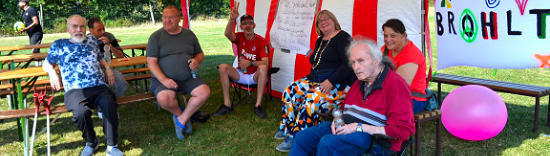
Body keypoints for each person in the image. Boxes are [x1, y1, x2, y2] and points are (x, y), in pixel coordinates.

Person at [289, 39, 415, 156]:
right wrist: (336, 121)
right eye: (353, 62)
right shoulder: (359, 82)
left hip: (375, 139)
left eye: (361, 61)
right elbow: (343, 109)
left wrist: (358, 127)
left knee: (328, 143)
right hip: (347, 128)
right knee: (302, 137)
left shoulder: (396, 85)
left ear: (376, 60)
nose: (356, 67)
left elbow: (404, 130)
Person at [275, 10, 356, 152]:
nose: (323, 21)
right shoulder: (320, 40)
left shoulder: (343, 37)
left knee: (311, 99)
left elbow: (349, 64)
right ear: (317, 25)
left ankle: (297, 136)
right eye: (320, 20)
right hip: (315, 79)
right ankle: (287, 127)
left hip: (336, 84)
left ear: (333, 20)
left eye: (327, 18)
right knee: (289, 91)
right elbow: (316, 62)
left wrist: (331, 81)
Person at [42, 15, 123, 156]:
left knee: (109, 105)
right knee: (80, 113)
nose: (79, 29)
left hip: (98, 85)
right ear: (68, 29)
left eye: (82, 26)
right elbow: (46, 63)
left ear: (86, 29)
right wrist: (52, 73)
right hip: (75, 88)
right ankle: (91, 142)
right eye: (75, 26)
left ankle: (112, 146)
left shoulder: (92, 40)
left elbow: (100, 57)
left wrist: (108, 68)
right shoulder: (59, 44)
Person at [146, 5, 210, 140]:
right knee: (164, 98)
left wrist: (197, 60)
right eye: (164, 17)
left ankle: (181, 120)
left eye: (171, 17)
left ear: (179, 19)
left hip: (188, 77)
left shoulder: (189, 34)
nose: (167, 20)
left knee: (204, 92)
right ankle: (179, 113)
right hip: (163, 79)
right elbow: (151, 62)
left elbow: (200, 54)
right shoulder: (156, 37)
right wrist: (164, 80)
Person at [213, 2, 268, 118]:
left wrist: (251, 62)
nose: (247, 25)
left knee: (263, 68)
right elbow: (227, 33)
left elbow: (266, 62)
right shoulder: (239, 36)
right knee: (223, 67)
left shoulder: (261, 41)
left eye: (250, 23)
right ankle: (227, 105)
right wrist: (232, 19)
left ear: (254, 25)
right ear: (241, 27)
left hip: (254, 75)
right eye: (244, 24)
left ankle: (258, 105)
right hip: (240, 73)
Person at [381, 19, 427, 114]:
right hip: (388, 95)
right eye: (385, 36)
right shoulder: (385, 49)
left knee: (376, 112)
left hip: (412, 98)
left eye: (393, 36)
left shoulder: (412, 54)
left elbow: (398, 87)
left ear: (404, 36)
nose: (388, 40)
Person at [87, 17, 128, 97]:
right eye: (99, 30)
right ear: (91, 31)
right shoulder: (86, 41)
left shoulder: (109, 36)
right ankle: (105, 105)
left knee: (123, 85)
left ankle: (109, 103)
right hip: (94, 71)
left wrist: (109, 45)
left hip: (110, 68)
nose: (103, 32)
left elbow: (120, 56)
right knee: (104, 89)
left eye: (103, 28)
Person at [17, 0, 44, 65]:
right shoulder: (24, 12)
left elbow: (36, 22)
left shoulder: (31, 10)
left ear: (24, 3)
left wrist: (26, 28)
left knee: (35, 50)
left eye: (19, 2)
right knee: (35, 50)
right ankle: (38, 66)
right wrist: (21, 29)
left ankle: (39, 67)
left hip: (36, 33)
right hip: (31, 34)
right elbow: (27, 24)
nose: (18, 3)